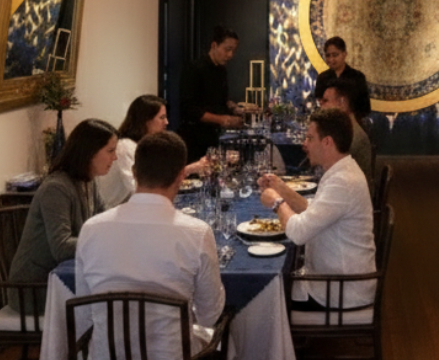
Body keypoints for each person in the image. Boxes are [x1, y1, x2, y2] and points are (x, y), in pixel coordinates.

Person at [75, 131, 225, 360]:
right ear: (181, 175)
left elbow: (85, 312)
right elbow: (209, 313)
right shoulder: (196, 232)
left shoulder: (91, 229)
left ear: (134, 171)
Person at [259, 108, 375, 311]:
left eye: (310, 138)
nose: (304, 144)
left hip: (340, 292)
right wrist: (281, 188)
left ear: (327, 142)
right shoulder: (342, 170)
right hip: (335, 281)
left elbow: (297, 233)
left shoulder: (343, 182)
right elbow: (312, 209)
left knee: (261, 298)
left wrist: (277, 201)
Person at [8, 118, 118, 311]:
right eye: (110, 151)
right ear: (89, 153)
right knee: (114, 302)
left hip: (64, 278)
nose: (115, 157)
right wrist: (104, 239)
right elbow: (61, 246)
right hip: (36, 288)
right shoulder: (56, 188)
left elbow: (103, 220)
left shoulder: (88, 180)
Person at [99, 94, 209, 207]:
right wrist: (189, 169)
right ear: (146, 120)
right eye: (162, 117)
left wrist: (191, 168)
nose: (166, 122)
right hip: (115, 210)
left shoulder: (148, 145)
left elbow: (159, 181)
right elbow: (139, 190)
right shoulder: (126, 147)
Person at [179, 25, 248, 162]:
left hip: (213, 137)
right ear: (214, 45)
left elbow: (220, 100)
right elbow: (190, 109)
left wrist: (236, 109)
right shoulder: (194, 69)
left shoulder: (221, 71)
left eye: (233, 51)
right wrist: (223, 120)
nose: (230, 55)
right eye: (227, 50)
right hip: (194, 138)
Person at [321, 80, 373, 192]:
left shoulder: (351, 136)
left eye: (325, 101)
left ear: (342, 102)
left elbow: (330, 172)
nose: (321, 106)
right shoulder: (346, 130)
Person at [313, 36, 371, 120]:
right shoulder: (323, 78)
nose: (331, 59)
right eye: (328, 56)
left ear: (344, 54)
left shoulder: (357, 77)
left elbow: (365, 108)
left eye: (335, 55)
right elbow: (318, 105)